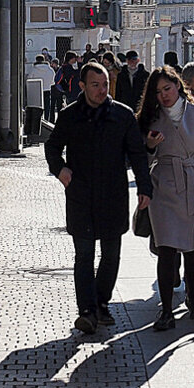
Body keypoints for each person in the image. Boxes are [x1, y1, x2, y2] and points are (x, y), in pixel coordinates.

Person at [44, 62, 152, 334]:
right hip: (81, 194)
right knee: (84, 255)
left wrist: (144, 187)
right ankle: (87, 311)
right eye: (95, 85)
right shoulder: (69, 115)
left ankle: (101, 302)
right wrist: (60, 170)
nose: (102, 90)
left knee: (111, 254)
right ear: (82, 86)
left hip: (113, 194)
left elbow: (137, 153)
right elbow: (52, 145)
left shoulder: (122, 115)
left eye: (105, 84)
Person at [137, 67, 194, 330]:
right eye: (158, 91)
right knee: (166, 248)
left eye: (168, 88)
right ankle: (166, 309)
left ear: (178, 86)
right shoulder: (149, 119)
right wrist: (151, 146)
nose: (164, 95)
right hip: (164, 185)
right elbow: (140, 159)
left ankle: (192, 298)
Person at [26, 56, 55, 121]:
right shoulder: (50, 69)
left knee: (37, 108)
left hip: (36, 90)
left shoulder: (33, 69)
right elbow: (53, 82)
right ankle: (46, 119)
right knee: (47, 106)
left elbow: (29, 79)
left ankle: (38, 120)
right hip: (47, 90)